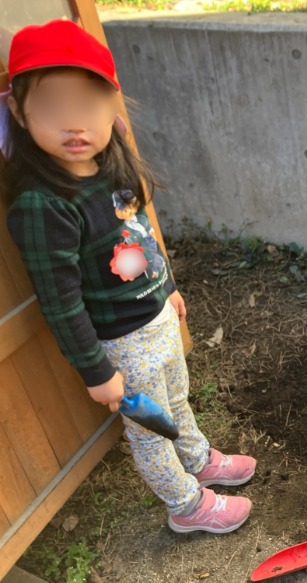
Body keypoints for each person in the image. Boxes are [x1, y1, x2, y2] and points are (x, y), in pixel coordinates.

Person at [2, 20, 255, 534]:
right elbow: (60, 302)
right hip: (122, 342)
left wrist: (168, 288)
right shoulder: (42, 204)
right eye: (52, 108)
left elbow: (139, 234)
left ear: (112, 105)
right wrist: (96, 372)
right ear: (19, 113)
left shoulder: (109, 166)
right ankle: (186, 506)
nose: (74, 124)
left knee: (178, 398)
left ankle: (198, 457)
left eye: (88, 105)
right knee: (150, 430)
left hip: (156, 319)